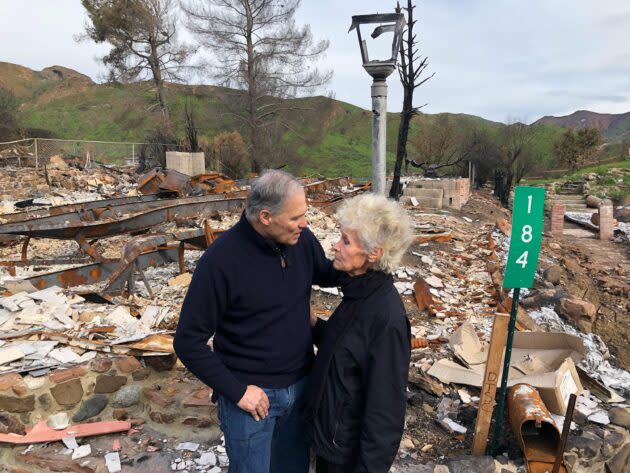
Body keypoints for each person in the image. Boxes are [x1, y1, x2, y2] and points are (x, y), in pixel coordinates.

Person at [174, 170, 343, 473]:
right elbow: (187, 343)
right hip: (252, 401)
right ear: (265, 217)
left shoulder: (301, 241)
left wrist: (370, 264)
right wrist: (237, 391)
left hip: (302, 388)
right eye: (295, 218)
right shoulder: (221, 262)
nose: (304, 224)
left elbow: (329, 274)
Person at [304, 193, 413, 473]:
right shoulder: (359, 293)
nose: (335, 246)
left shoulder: (386, 317)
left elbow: (385, 411)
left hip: (347, 457)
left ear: (373, 253)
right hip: (330, 443)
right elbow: (347, 349)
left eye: (346, 241)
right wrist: (316, 325)